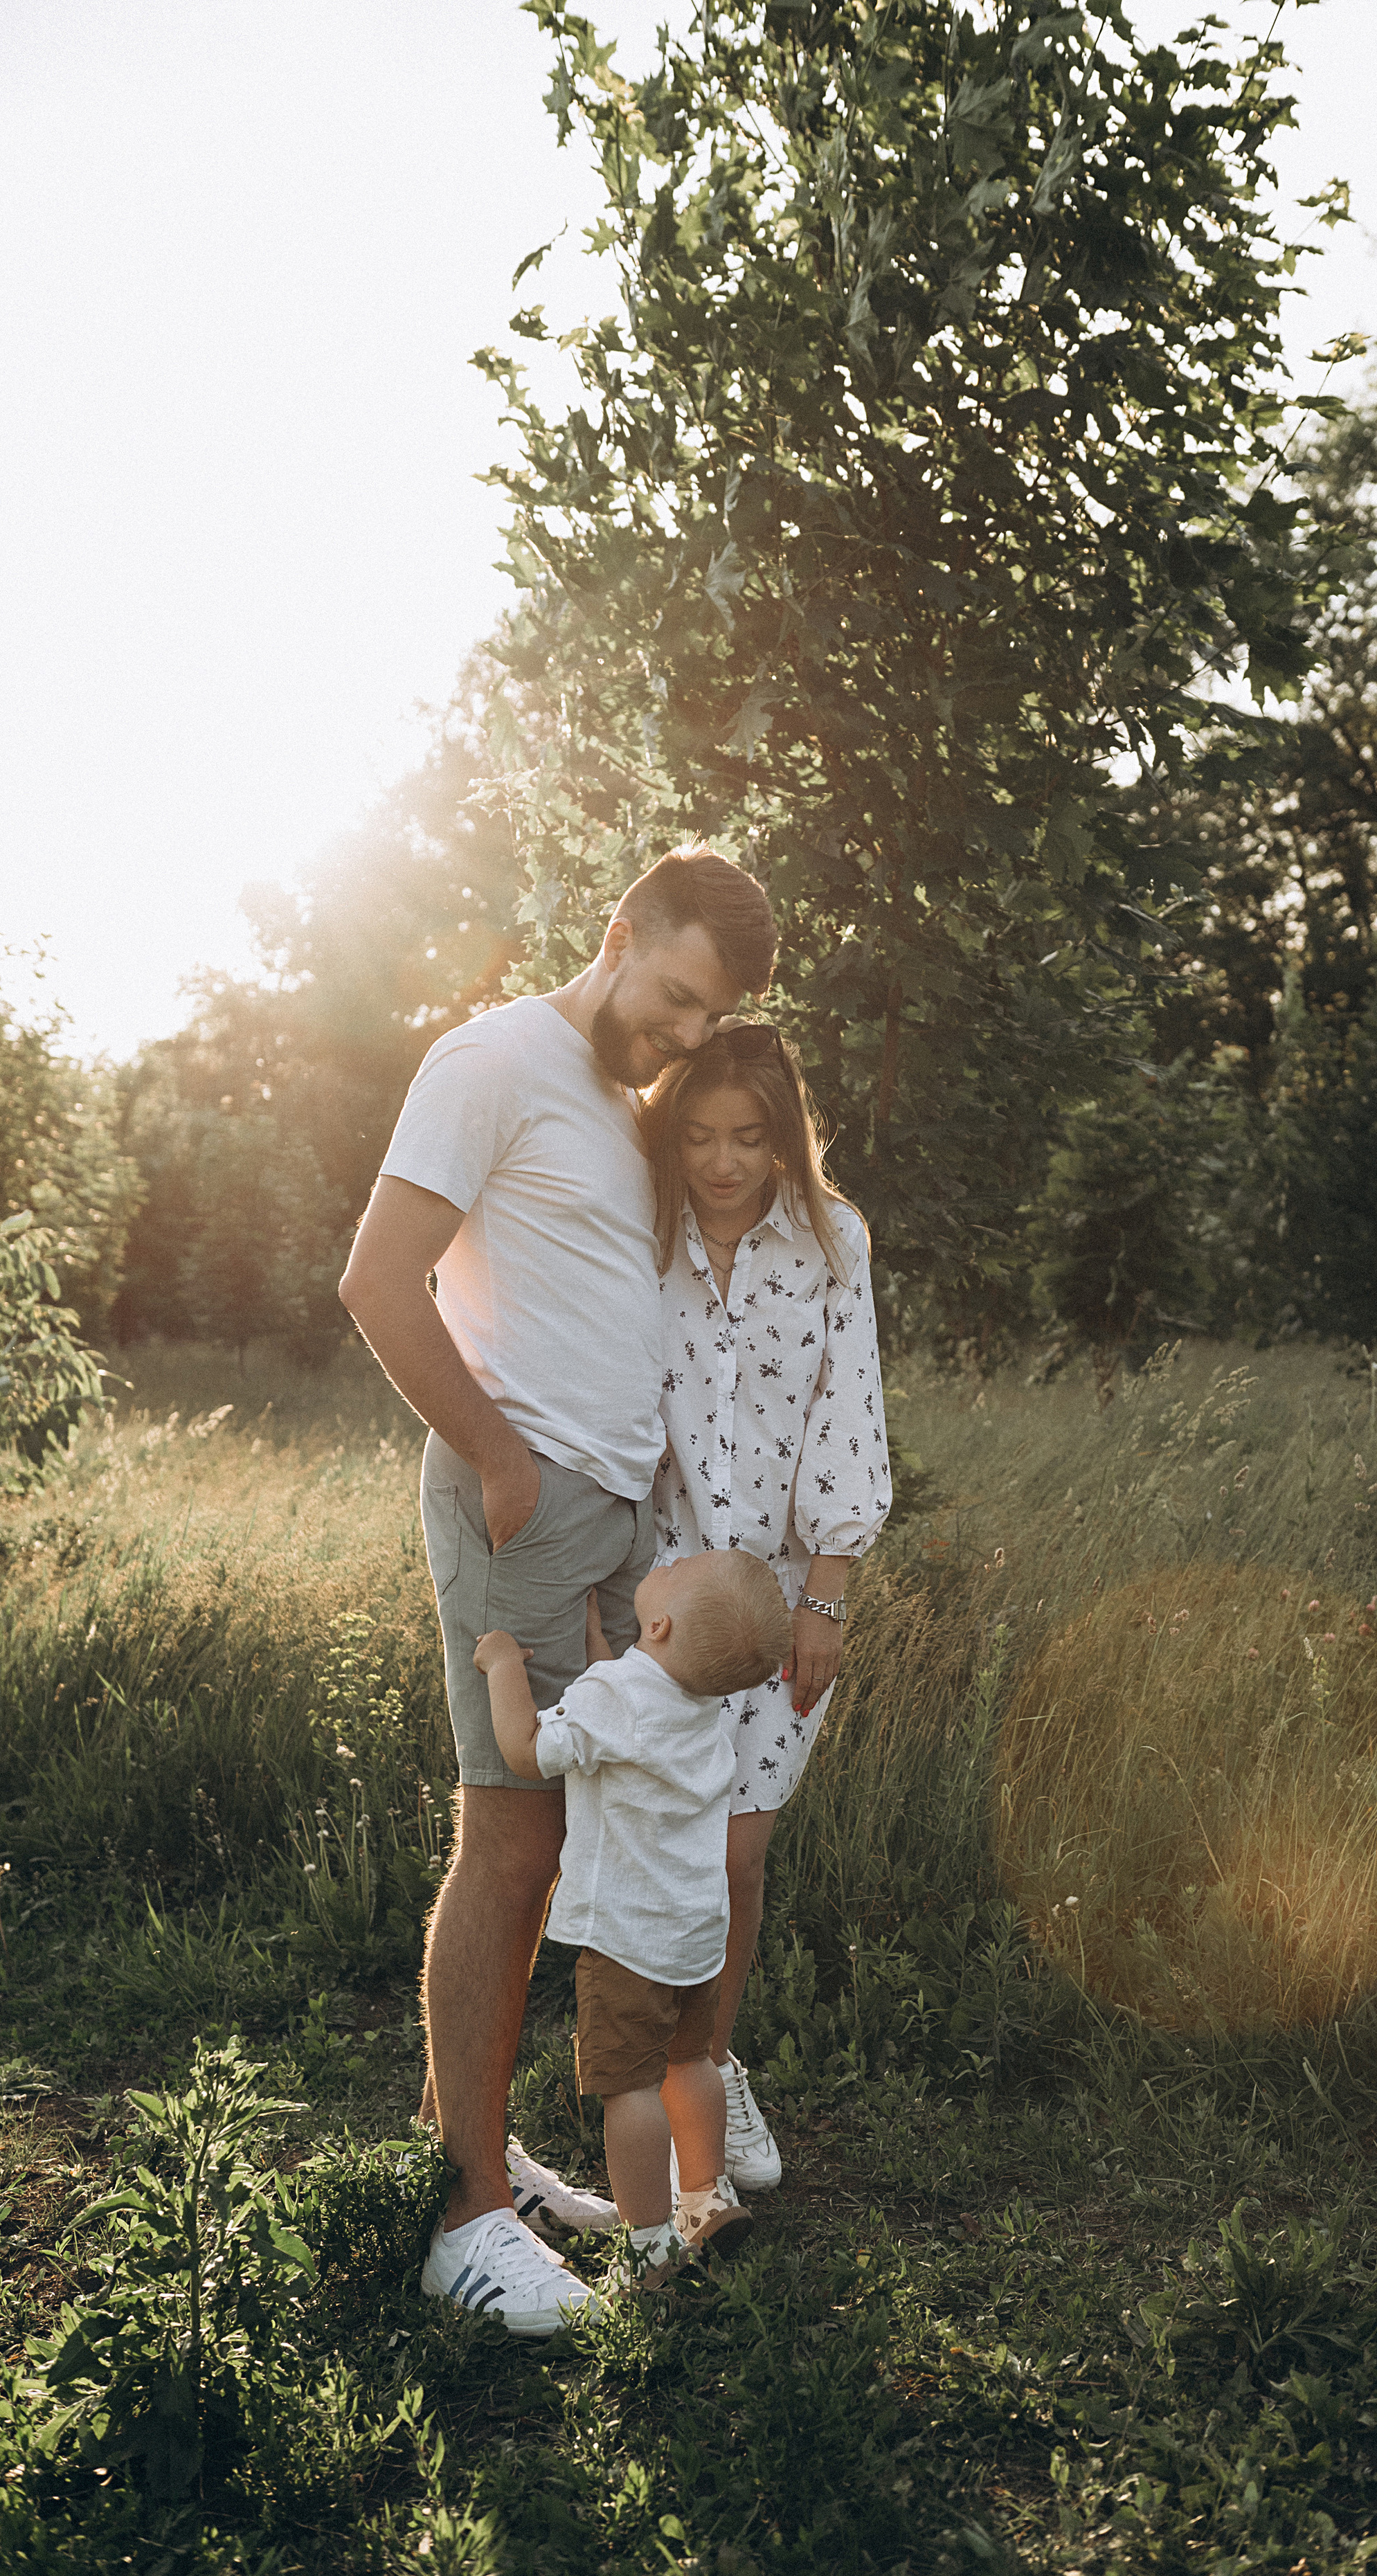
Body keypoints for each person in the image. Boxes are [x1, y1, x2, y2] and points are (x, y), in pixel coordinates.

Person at [338, 847, 777, 2337]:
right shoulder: (494, 1058)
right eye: (668, 997)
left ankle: (470, 2148)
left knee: (552, 1835)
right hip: (518, 1506)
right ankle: (461, 2221)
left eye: (699, 1021)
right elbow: (377, 1279)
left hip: (596, 1519)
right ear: (620, 932)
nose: (673, 1036)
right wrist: (497, 1458)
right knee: (511, 1843)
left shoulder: (607, 1099)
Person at [637, 1022, 892, 2197]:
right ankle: (644, 2087)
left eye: (748, 1137)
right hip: (662, 1592)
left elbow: (852, 1412)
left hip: (783, 1597)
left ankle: (712, 2064)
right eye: (698, 1135)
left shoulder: (833, 1242)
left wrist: (828, 1597)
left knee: (739, 1857)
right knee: (655, 1853)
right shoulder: (637, 1238)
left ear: (785, 1137)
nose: (724, 1161)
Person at [469, 1549, 793, 2305]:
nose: (672, 1559)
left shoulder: (617, 1695)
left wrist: (502, 1666)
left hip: (626, 1938)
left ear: (659, 1620)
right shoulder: (696, 1700)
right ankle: (706, 2201)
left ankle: (648, 2244)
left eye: (680, 1567)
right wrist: (598, 1642)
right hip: (694, 1931)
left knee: (630, 2087)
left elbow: (527, 1751)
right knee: (691, 2065)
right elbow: (620, 1693)